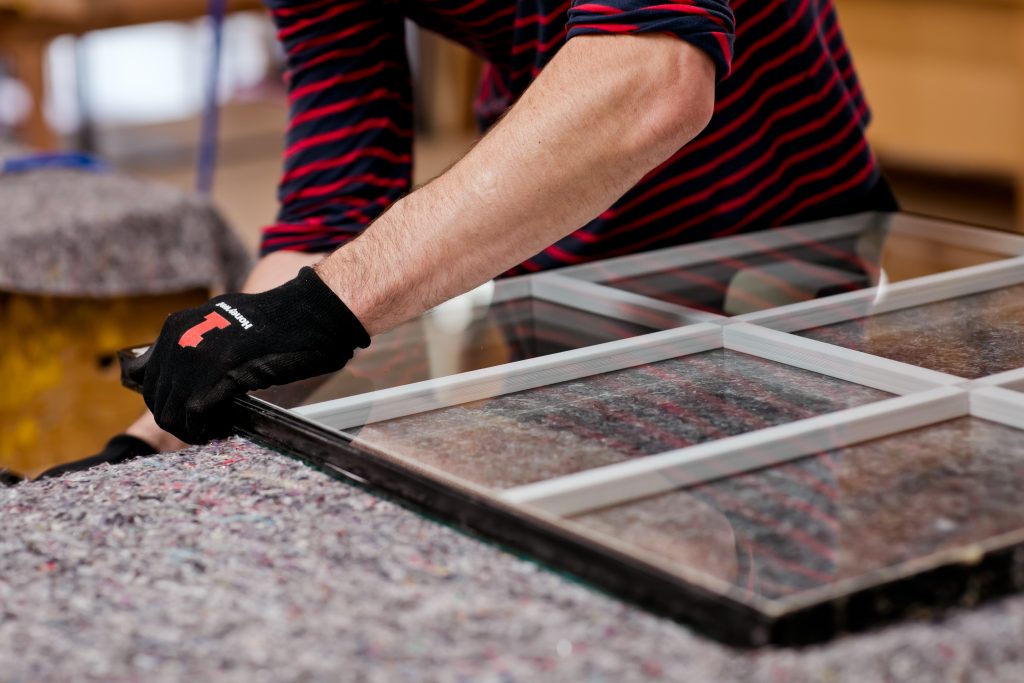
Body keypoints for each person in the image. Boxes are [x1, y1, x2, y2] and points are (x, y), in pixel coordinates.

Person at [91, 0, 900, 458]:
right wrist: (147, 442)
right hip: (560, 227)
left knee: (779, 548)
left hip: (775, 224)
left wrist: (323, 306)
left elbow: (651, 75)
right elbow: (333, 198)